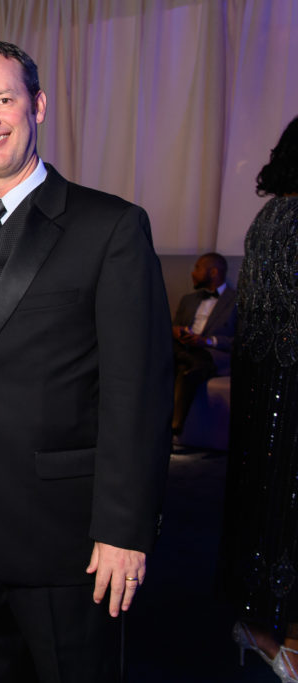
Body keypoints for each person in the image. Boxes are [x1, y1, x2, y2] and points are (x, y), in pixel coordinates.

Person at [0, 39, 172, 682]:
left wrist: (124, 530)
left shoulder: (109, 226)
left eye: (3, 100)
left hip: (69, 535)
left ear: (37, 105)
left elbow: (137, 390)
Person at [223, 115, 298, 682]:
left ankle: (259, 626)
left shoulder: (267, 218)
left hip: (264, 390)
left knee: (266, 503)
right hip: (287, 393)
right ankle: (284, 639)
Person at [171, 252, 236, 440]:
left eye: (198, 268)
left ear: (214, 272)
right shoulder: (188, 300)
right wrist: (177, 331)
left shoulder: (237, 301)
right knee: (183, 359)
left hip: (212, 353)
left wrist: (206, 341)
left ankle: (173, 427)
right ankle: (174, 427)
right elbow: (174, 326)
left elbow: (241, 341)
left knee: (188, 365)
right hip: (184, 348)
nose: (193, 273)